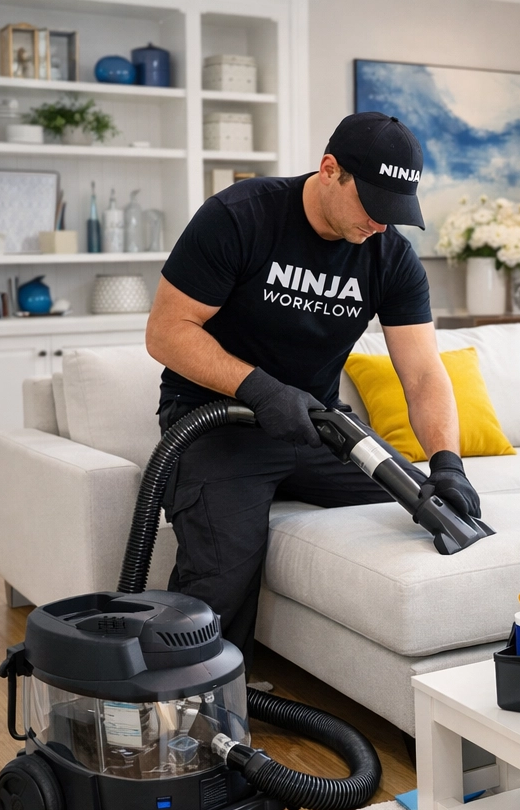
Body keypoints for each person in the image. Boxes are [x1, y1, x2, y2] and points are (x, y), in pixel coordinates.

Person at [145, 111, 480, 662]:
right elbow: (166, 332)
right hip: (214, 422)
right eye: (372, 206)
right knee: (221, 574)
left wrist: (447, 462)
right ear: (330, 171)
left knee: (429, 510)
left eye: (393, 212)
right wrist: (259, 388)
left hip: (316, 426)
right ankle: (198, 714)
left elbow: (421, 372)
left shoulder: (390, 255)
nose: (380, 224)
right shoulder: (240, 216)